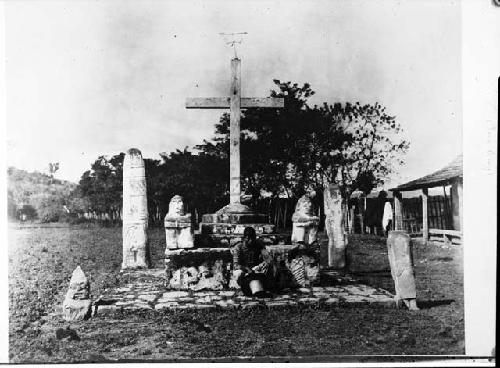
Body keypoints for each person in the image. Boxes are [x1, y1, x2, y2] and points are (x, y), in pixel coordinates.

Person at [232, 227, 274, 298]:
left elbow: (267, 257)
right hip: (244, 272)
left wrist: (266, 261)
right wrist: (246, 269)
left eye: (253, 238)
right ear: (245, 238)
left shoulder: (258, 244)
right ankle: (254, 289)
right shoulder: (238, 247)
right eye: (249, 238)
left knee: (268, 266)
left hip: (255, 270)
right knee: (238, 273)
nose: (251, 241)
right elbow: (236, 265)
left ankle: (260, 289)